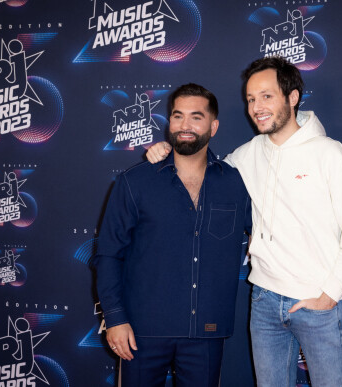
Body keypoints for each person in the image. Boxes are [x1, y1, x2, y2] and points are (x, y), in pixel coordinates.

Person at [146, 57, 342, 387]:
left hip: (318, 305)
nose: (256, 107)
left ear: (292, 97)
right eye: (251, 99)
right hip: (264, 301)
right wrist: (170, 150)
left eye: (267, 96)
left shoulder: (330, 155)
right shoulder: (247, 154)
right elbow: (203, 176)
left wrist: (328, 297)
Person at [94, 83, 251, 387]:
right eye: (178, 116)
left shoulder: (234, 182)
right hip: (142, 331)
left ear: (213, 126)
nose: (185, 125)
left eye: (196, 117)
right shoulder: (135, 182)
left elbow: (267, 233)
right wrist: (115, 318)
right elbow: (109, 254)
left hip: (206, 331)